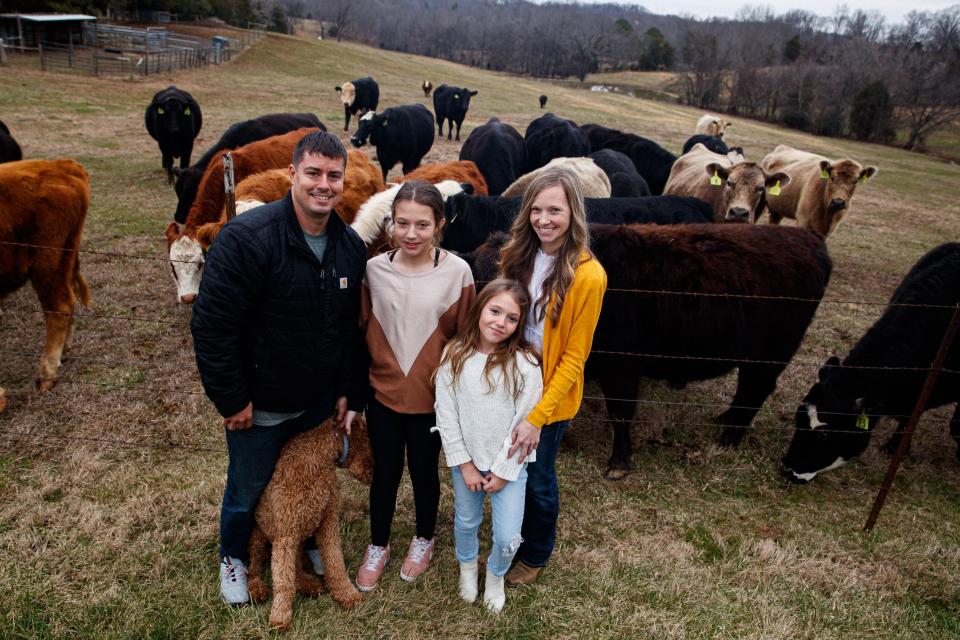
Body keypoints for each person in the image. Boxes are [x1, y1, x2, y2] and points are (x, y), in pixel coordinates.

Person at [191, 131, 367, 606]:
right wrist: (231, 398)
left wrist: (349, 387)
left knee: (309, 481)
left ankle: (307, 541)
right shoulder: (246, 239)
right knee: (247, 486)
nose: (323, 185)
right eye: (313, 173)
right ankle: (234, 556)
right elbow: (213, 326)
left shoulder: (348, 246)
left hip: (315, 402)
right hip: (260, 403)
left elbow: (350, 328)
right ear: (292, 173)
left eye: (334, 176)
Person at [345, 180, 476, 591]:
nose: (411, 234)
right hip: (383, 397)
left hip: (432, 401)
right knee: (385, 473)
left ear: (439, 223)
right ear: (390, 225)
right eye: (402, 223)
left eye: (422, 224)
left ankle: (423, 539)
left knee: (423, 472)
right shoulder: (373, 271)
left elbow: (466, 342)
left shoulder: (459, 273)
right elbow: (359, 335)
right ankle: (378, 544)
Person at [498, 169, 607, 586]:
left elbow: (575, 357)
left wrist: (538, 417)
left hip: (550, 397)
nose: (544, 219)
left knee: (539, 476)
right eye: (537, 210)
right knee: (510, 467)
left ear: (573, 212)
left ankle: (537, 551)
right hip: (513, 381)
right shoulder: (518, 256)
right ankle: (511, 534)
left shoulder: (588, 275)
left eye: (555, 211)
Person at [434, 279, 542, 612]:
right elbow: (446, 412)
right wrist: (464, 464)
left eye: (511, 318)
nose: (501, 322)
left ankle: (495, 575)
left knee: (509, 535)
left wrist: (504, 470)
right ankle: (468, 567)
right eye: (495, 311)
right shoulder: (455, 354)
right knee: (467, 521)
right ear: (480, 307)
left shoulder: (526, 363)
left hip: (508, 465)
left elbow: (522, 424)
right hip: (467, 461)